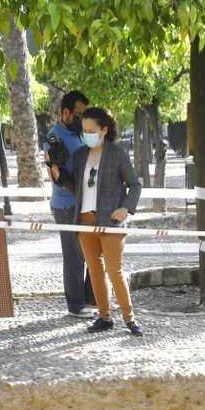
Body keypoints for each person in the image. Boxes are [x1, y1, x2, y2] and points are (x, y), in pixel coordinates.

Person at [60, 106, 144, 336]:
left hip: (111, 222)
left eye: (92, 130)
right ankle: (105, 317)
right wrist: (60, 176)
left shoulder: (117, 154)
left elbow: (135, 185)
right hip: (84, 222)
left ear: (104, 130)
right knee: (95, 273)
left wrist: (125, 208)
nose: (87, 134)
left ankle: (129, 318)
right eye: (85, 130)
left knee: (115, 271)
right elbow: (79, 190)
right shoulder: (80, 155)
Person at [46, 91, 93, 317]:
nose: (82, 119)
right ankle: (76, 305)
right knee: (74, 256)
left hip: (85, 202)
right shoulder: (54, 138)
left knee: (92, 251)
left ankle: (91, 298)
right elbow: (57, 176)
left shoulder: (80, 133)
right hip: (66, 204)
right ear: (66, 112)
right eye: (79, 114)